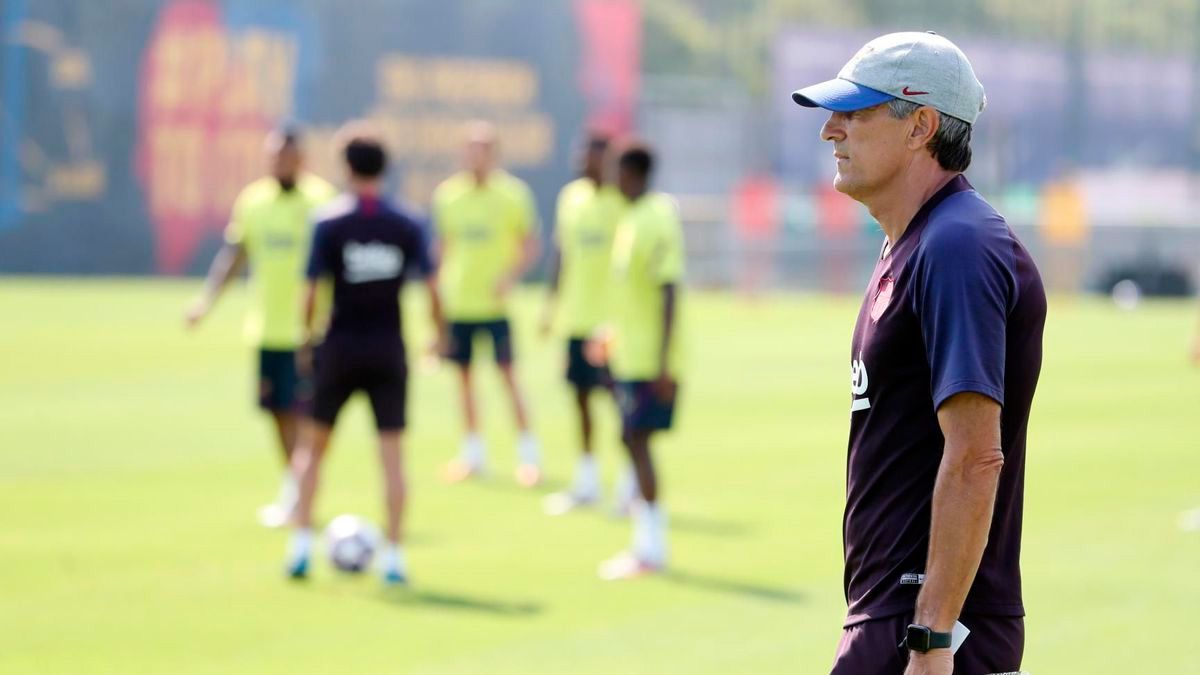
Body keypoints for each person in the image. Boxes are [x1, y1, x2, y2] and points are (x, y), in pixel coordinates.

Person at [791, 32, 1047, 675]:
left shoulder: (956, 245)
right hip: (897, 621)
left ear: (921, 127)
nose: (830, 131)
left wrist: (932, 639)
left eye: (855, 112)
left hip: (928, 631)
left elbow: (974, 454)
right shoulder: (916, 243)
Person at [284, 123, 444, 585]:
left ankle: (298, 548)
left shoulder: (329, 223)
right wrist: (437, 334)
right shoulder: (407, 222)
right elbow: (433, 287)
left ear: (346, 167)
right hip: (389, 350)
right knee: (391, 455)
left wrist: (305, 337)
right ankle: (394, 557)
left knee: (312, 450)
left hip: (339, 347)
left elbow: (311, 292)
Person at [184, 126, 336, 527]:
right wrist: (206, 301)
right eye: (272, 156)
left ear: (302, 159)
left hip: (310, 332)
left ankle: (300, 496)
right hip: (266, 329)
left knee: (307, 418)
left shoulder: (322, 202)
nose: (278, 163)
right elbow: (235, 254)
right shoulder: (253, 201)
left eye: (286, 156)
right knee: (278, 414)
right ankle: (295, 489)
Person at [592, 142, 684, 580]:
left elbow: (668, 291)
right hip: (630, 355)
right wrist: (611, 337)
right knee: (630, 440)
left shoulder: (656, 218)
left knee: (638, 442)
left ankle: (651, 548)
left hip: (650, 360)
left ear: (632, 173)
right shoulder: (630, 218)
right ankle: (645, 540)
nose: (610, 179)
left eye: (615, 171)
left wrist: (665, 363)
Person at [433, 121, 542, 487]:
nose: (475, 157)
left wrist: (509, 277)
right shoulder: (449, 196)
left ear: (494, 155)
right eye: (469, 150)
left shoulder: (513, 195)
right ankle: (473, 455)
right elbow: (444, 249)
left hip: (494, 308)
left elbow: (529, 244)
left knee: (509, 378)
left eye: (482, 150)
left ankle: (529, 456)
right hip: (460, 305)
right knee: (463, 382)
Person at [541, 131, 636, 515]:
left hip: (610, 325)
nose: (587, 161)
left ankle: (630, 485)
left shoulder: (621, 202)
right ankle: (587, 481)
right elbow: (562, 253)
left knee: (620, 406)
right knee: (579, 400)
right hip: (576, 320)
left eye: (595, 155)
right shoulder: (571, 198)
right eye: (584, 154)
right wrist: (551, 306)